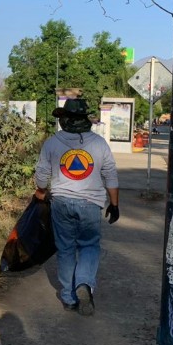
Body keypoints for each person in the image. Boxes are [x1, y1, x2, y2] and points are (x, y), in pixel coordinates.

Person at [34, 98, 119, 316]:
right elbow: (110, 174)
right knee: (89, 246)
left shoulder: (52, 143)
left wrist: (41, 192)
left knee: (65, 249)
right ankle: (84, 283)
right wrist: (114, 204)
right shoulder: (99, 143)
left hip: (60, 203)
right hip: (91, 204)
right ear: (85, 119)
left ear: (65, 119)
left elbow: (42, 174)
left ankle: (69, 298)